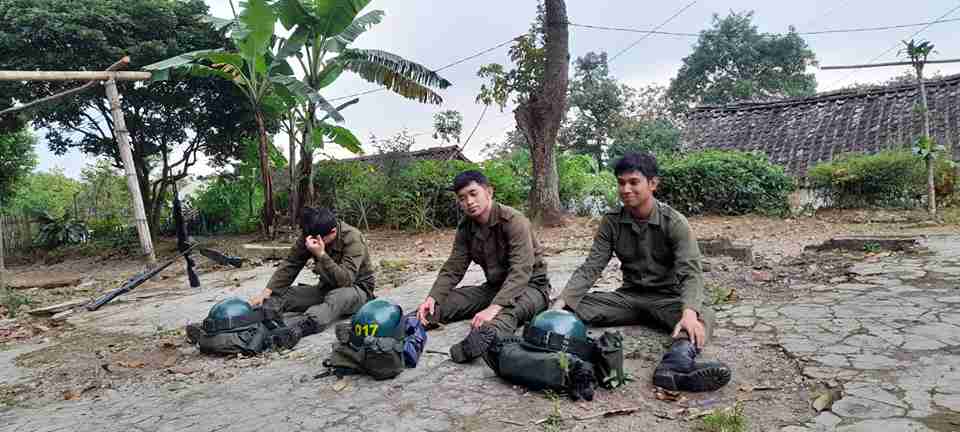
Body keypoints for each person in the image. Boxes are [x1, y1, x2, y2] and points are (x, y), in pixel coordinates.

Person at [553, 152, 731, 392]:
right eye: (621, 183)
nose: (626, 189)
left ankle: (674, 366)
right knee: (570, 306)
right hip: (629, 298)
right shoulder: (612, 221)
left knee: (701, 316)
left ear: (653, 184)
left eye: (634, 182)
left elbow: (691, 272)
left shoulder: (674, 222)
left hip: (667, 298)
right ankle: (553, 342)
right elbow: (592, 266)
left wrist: (688, 312)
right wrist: (563, 302)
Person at [415, 170, 550, 363]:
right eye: (462, 198)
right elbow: (454, 267)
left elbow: (521, 271)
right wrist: (432, 297)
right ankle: (410, 322)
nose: (469, 201)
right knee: (446, 302)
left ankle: (482, 340)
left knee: (506, 313)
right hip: (495, 288)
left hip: (530, 288)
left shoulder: (513, 221)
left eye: (473, 193)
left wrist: (494, 307)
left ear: (489, 192)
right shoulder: (466, 227)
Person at [250, 207, 375, 339]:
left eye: (315, 240)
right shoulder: (312, 233)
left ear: (333, 232)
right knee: (284, 294)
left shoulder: (352, 237)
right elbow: (292, 263)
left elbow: (346, 280)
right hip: (326, 288)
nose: (309, 242)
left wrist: (321, 254)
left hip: (357, 290)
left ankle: (301, 327)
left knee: (336, 297)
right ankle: (262, 315)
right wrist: (267, 291)